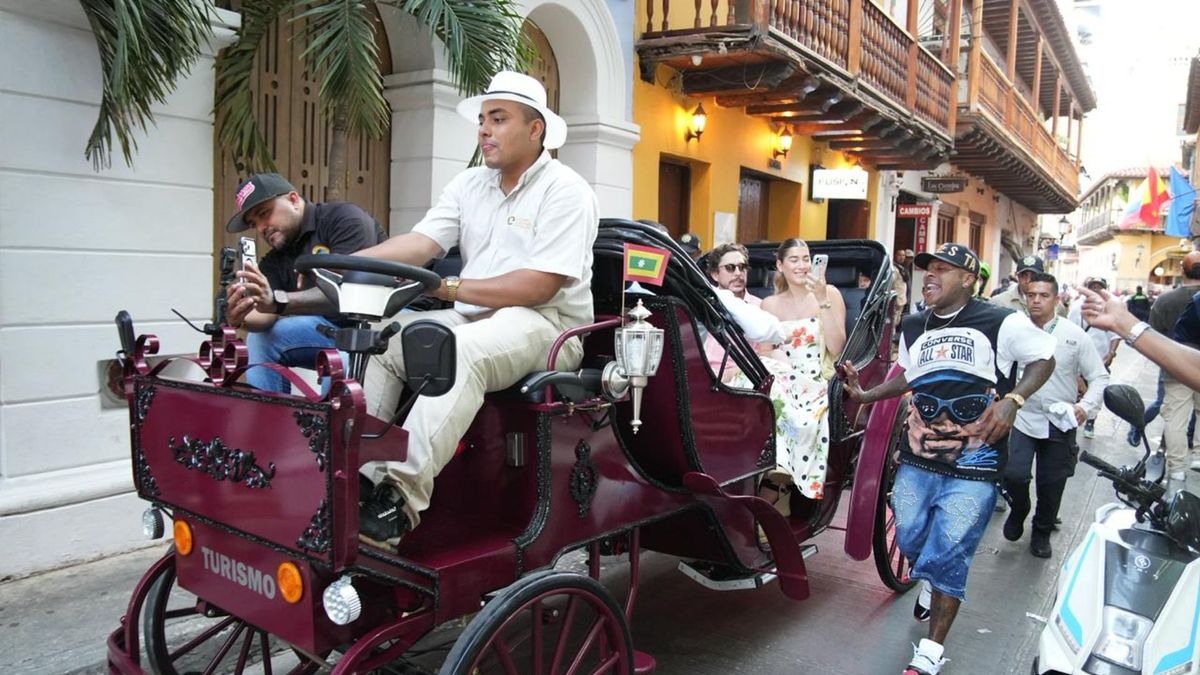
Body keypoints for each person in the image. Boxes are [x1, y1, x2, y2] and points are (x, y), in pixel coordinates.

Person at [239, 71, 598, 549]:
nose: (484, 130)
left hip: (550, 327)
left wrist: (450, 288)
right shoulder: (471, 184)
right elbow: (422, 243)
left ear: (536, 130)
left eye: (498, 119)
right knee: (387, 338)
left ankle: (396, 501)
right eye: (482, 121)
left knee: (453, 350)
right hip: (474, 317)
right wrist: (347, 265)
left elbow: (539, 286)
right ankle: (354, 483)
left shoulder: (566, 190)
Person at [842, 242, 1055, 675]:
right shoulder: (915, 324)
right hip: (918, 457)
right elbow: (907, 375)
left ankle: (931, 651)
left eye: (943, 269)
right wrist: (866, 394)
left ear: (969, 279)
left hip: (974, 465)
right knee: (910, 534)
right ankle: (931, 576)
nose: (931, 276)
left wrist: (1014, 398)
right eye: (928, 269)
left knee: (952, 550)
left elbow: (1044, 358)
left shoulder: (1003, 321)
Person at [226, 172, 387, 393]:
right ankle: (270, 423)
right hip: (332, 330)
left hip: (383, 324)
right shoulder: (275, 260)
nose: (262, 227)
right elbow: (264, 314)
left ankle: (331, 426)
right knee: (260, 339)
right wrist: (239, 316)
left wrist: (279, 301)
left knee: (342, 362)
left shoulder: (344, 218)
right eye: (255, 223)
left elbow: (350, 294)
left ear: (293, 199)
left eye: (265, 213)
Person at [1002, 273, 1108, 558]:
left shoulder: (1074, 336)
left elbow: (1099, 376)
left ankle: (1042, 531)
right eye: (1031, 294)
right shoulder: (1014, 331)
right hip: (1021, 418)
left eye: (1043, 295)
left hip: (1059, 421)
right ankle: (1019, 508)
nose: (1036, 300)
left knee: (1051, 484)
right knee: (1013, 474)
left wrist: (1084, 407)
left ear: (1057, 299)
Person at [736, 239, 848, 504]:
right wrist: (776, 357)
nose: (802, 265)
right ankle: (760, 473)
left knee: (796, 413)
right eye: (794, 260)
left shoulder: (829, 294)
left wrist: (822, 300)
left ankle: (779, 481)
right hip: (779, 373)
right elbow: (764, 351)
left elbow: (836, 345)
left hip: (814, 379)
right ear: (780, 265)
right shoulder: (769, 305)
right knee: (754, 387)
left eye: (806, 258)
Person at [1147, 252, 1200, 479]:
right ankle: (1198, 455)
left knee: (1175, 418)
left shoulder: (1165, 300)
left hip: (1175, 367)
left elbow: (1152, 335)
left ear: (1182, 270)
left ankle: (1177, 469)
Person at [1067, 277, 1119, 439]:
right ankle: (1072, 419)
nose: (1096, 290)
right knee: (1075, 390)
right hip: (1079, 359)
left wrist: (1111, 353)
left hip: (1100, 359)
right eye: (1093, 286)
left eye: (1099, 287)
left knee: (1097, 390)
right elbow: (1070, 331)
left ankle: (1091, 421)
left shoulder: (1110, 309)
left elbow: (1116, 335)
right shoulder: (1077, 308)